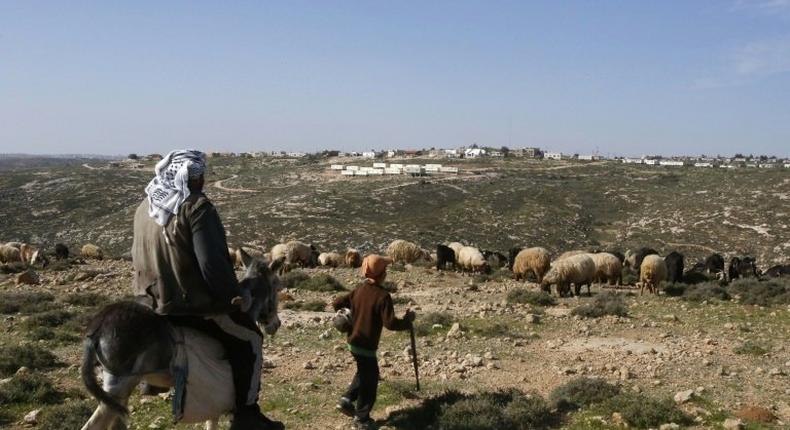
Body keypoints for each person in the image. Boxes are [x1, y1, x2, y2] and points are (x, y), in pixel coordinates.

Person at [131, 149, 283, 430]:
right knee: (250, 339)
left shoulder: (147, 205)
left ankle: (152, 384)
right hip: (186, 305)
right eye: (199, 175)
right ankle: (246, 414)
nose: (203, 180)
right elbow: (212, 264)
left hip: (146, 300)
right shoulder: (197, 207)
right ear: (191, 177)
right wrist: (232, 297)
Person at [332, 255, 416, 429]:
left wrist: (345, 313)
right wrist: (407, 321)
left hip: (353, 341)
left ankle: (346, 400)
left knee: (364, 371)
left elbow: (338, 302)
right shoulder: (383, 296)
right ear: (382, 273)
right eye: (385, 270)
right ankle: (361, 419)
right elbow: (390, 323)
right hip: (367, 345)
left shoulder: (359, 289)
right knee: (370, 380)